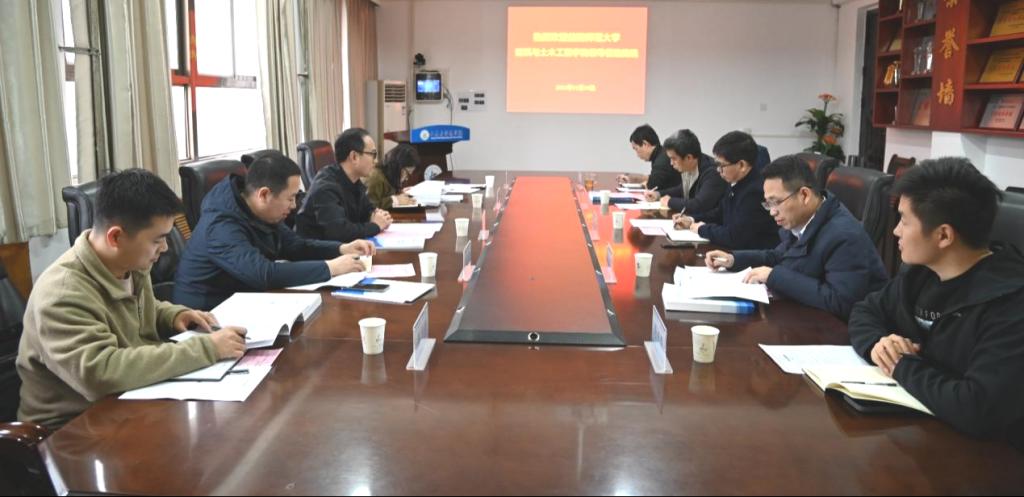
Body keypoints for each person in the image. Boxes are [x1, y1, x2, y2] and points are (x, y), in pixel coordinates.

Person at [17, 170, 248, 429]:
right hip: (71, 427)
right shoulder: (61, 293)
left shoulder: (130, 262)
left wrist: (172, 315)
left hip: (129, 400)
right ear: (115, 237)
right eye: (158, 239)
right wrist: (207, 349)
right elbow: (100, 372)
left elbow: (133, 308)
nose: (165, 248)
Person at [848, 158, 1024, 450]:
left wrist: (901, 365)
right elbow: (865, 310)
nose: (895, 231)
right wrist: (879, 345)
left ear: (943, 235)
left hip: (985, 458)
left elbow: (978, 408)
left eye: (904, 221)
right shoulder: (921, 274)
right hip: (919, 432)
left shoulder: (1010, 303)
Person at [174, 154, 372, 311]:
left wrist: (341, 248)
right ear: (264, 194)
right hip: (207, 315)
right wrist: (330, 267)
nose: (294, 206)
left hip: (245, 302)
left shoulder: (260, 211)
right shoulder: (220, 226)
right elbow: (262, 273)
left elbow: (295, 246)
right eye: (290, 198)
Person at [703, 155, 888, 320]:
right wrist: (733, 259)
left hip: (841, 332)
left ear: (804, 195)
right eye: (768, 203)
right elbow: (779, 256)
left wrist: (774, 276)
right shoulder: (804, 220)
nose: (772, 212)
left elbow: (840, 302)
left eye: (776, 202)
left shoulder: (844, 236)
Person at [674, 131, 779, 250]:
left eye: (722, 165)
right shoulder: (736, 181)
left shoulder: (756, 192)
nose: (718, 170)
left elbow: (735, 237)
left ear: (741, 165)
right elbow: (720, 212)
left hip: (754, 255)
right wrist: (691, 219)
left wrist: (701, 229)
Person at [296, 128, 393, 241]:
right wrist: (375, 226)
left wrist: (378, 215)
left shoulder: (354, 181)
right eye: (373, 154)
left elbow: (368, 210)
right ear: (354, 157)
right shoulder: (326, 187)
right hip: (314, 250)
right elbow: (339, 232)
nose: (375, 161)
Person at [643, 129, 728, 217]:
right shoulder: (689, 166)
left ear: (688, 158)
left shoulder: (713, 173)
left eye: (674, 159)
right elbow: (682, 188)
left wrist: (670, 202)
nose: (671, 163)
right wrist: (658, 194)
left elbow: (699, 204)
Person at [616, 124, 681, 192]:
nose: (637, 154)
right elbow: (653, 178)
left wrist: (640, 183)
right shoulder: (661, 154)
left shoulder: (661, 162)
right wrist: (632, 178)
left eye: (636, 149)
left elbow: (651, 187)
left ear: (645, 144)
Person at [366, 143, 418, 210]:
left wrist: (400, 193)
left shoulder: (390, 176)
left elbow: (385, 195)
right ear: (398, 166)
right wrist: (396, 200)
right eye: (407, 173)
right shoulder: (376, 177)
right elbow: (368, 205)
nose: (406, 178)